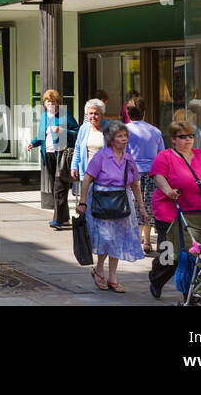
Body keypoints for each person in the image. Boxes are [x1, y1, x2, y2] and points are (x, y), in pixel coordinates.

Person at [147, 120, 201, 299]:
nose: (188, 140)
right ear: (173, 139)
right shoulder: (165, 156)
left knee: (195, 255)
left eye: (191, 136)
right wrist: (168, 190)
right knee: (170, 256)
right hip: (171, 213)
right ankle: (157, 278)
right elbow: (158, 177)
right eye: (183, 137)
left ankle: (190, 294)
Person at [76, 121, 149, 293]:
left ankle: (113, 277)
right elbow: (87, 179)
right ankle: (99, 270)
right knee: (106, 239)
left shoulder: (129, 159)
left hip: (122, 203)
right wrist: (83, 202)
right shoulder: (101, 156)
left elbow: (135, 185)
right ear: (111, 139)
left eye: (125, 136)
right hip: (102, 201)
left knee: (117, 240)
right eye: (119, 136)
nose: (124, 139)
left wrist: (142, 208)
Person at [28, 89, 79, 229]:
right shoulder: (44, 116)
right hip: (48, 156)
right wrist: (33, 143)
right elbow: (40, 136)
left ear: (58, 103)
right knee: (56, 189)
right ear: (44, 103)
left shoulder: (64, 114)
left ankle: (57, 220)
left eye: (53, 102)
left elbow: (77, 131)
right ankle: (64, 218)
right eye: (48, 102)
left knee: (59, 188)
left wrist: (63, 131)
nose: (51, 104)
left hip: (62, 155)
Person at [124, 95, 165, 254]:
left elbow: (122, 154)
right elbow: (161, 154)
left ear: (128, 113)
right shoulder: (155, 131)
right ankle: (147, 241)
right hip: (152, 174)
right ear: (144, 113)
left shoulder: (124, 131)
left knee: (134, 207)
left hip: (133, 173)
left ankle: (136, 240)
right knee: (148, 206)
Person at [69, 98, 107, 192]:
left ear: (102, 115)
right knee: (87, 202)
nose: (93, 116)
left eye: (96, 113)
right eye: (90, 113)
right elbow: (78, 148)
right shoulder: (84, 128)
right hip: (87, 171)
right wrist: (74, 166)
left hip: (106, 174)